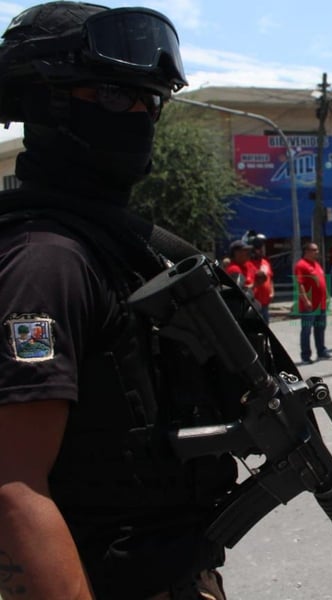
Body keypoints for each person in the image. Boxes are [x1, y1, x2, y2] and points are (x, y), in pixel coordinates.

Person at [0, 3, 234, 598]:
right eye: (111, 96)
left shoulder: (117, 246)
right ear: (45, 102)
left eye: (148, 100)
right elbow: (12, 484)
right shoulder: (45, 261)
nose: (138, 115)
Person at [294, 241, 332, 363]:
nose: (317, 252)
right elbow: (299, 284)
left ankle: (321, 352)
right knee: (306, 331)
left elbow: (322, 281)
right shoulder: (301, 265)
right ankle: (306, 356)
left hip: (320, 304)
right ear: (306, 251)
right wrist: (305, 300)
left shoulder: (316, 264)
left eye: (317, 250)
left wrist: (327, 296)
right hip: (309, 306)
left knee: (320, 329)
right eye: (314, 250)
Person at [246, 231, 274, 324]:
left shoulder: (265, 262)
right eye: (258, 248)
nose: (261, 250)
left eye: (262, 247)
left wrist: (272, 292)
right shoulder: (248, 264)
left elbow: (270, 278)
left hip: (265, 303)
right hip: (254, 304)